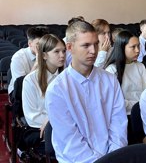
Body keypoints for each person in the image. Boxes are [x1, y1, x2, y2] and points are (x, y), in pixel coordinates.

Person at [45, 20, 127, 163]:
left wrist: (114, 156)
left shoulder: (110, 80)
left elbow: (118, 124)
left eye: (96, 44)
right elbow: (70, 140)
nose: (94, 51)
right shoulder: (57, 89)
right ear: (70, 47)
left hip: (112, 157)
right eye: (86, 45)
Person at [22, 34, 66, 148]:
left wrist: (53, 119)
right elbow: (32, 116)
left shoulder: (67, 78)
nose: (62, 55)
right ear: (45, 55)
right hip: (39, 127)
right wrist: (54, 122)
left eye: (64, 51)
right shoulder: (30, 80)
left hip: (63, 124)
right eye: (57, 52)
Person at [9, 26, 49, 100]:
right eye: (38, 44)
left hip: (42, 87)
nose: (42, 47)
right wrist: (37, 62)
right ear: (30, 44)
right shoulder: (18, 57)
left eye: (45, 44)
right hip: (19, 91)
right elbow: (21, 85)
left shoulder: (49, 53)